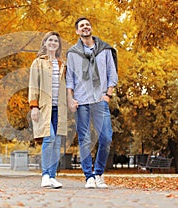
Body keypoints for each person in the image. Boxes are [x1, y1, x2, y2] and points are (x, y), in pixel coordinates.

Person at [66, 17, 118, 189]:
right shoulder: (73, 53)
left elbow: (112, 73)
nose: (85, 27)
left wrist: (108, 95)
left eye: (87, 24)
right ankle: (89, 176)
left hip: (100, 100)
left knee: (105, 137)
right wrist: (70, 98)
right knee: (84, 139)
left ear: (91, 28)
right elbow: (70, 78)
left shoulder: (105, 49)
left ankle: (99, 173)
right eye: (81, 26)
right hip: (81, 101)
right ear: (77, 31)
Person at [28, 31, 67, 189]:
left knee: (57, 142)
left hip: (59, 108)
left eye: (55, 41)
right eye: (50, 40)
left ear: (58, 45)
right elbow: (33, 84)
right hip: (44, 107)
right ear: (45, 43)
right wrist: (34, 106)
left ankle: (52, 177)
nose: (53, 43)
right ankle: (45, 175)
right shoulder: (38, 63)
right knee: (49, 138)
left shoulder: (62, 64)